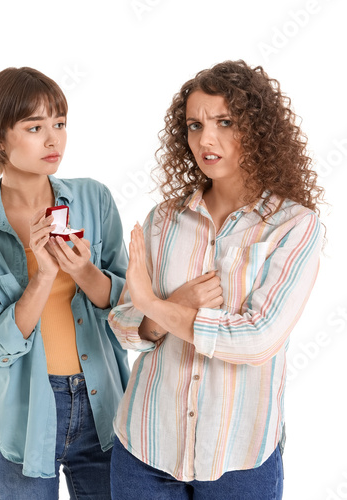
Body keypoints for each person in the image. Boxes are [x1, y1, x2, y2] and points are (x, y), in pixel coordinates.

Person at [108, 60, 324, 499]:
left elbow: (257, 339)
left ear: (258, 130)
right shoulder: (163, 220)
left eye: (225, 122)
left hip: (239, 461)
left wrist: (156, 305)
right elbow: (123, 323)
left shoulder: (295, 225)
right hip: (143, 451)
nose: (206, 140)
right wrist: (159, 308)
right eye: (194, 125)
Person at [0, 67, 129, 500]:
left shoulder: (93, 199)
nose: (54, 140)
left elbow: (132, 310)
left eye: (60, 124)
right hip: (23, 416)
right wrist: (44, 275)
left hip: (104, 403)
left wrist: (85, 273)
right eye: (34, 127)